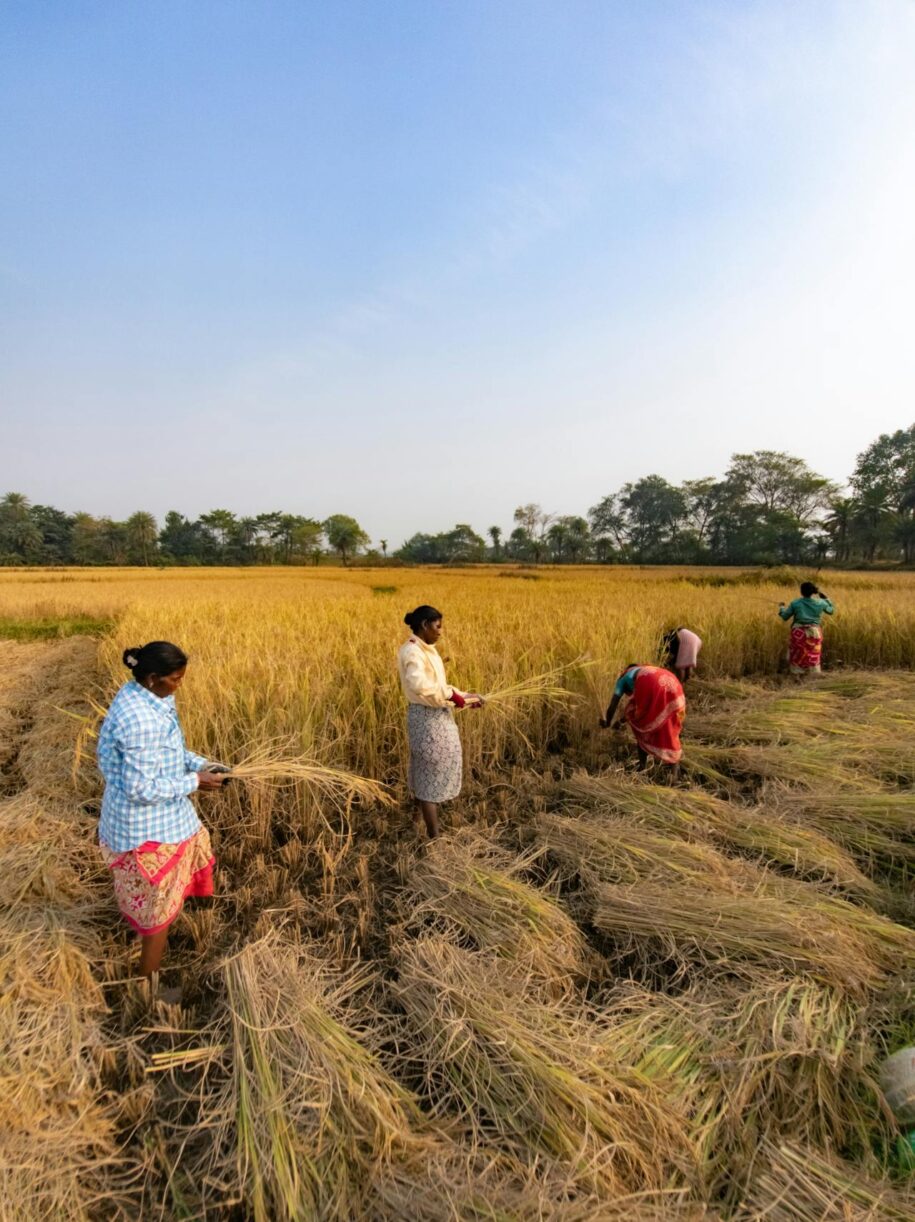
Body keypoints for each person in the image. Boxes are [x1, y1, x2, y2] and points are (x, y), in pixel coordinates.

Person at [97, 641, 227, 993]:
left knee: (156, 898)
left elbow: (171, 751)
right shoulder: (138, 720)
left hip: (160, 818)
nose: (179, 685)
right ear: (154, 678)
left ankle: (151, 933)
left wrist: (201, 765)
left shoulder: (148, 694)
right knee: (157, 913)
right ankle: (147, 989)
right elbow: (141, 788)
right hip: (146, 830)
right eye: (176, 679)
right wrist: (195, 781)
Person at [398, 605, 483, 838]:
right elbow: (418, 684)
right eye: (437, 626)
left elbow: (441, 688)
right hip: (426, 719)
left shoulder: (428, 649)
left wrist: (467, 697)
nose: (440, 631)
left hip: (437, 716)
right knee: (430, 771)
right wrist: (450, 696)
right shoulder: (412, 652)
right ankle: (434, 837)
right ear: (424, 625)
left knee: (425, 769)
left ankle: (416, 821)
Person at [600, 663, 686, 779]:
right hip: (673, 684)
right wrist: (621, 721)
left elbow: (613, 705)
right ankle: (674, 773)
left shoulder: (623, 679)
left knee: (640, 728)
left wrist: (607, 722)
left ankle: (642, 767)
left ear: (626, 669)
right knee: (671, 727)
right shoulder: (646, 669)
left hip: (655, 686)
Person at [779, 581, 834, 675]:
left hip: (799, 633)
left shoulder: (795, 603)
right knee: (814, 652)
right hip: (814, 632)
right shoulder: (821, 602)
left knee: (798, 653)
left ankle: (797, 674)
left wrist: (781, 607)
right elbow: (831, 610)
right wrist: (827, 599)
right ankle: (814, 673)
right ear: (813, 592)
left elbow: (785, 616)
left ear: (801, 591)